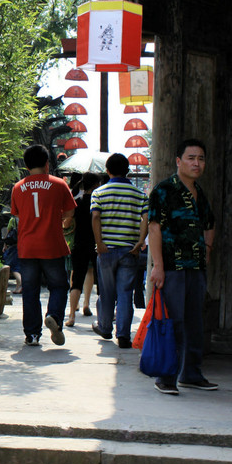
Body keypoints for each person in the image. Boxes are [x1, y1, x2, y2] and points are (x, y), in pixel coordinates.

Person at [147, 139, 216, 395]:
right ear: (179, 161)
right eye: (191, 158)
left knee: (195, 322)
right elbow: (154, 228)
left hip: (196, 267)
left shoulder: (200, 192)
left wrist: (207, 250)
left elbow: (210, 223)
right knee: (173, 322)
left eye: (201, 158)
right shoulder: (164, 190)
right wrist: (158, 266)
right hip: (172, 266)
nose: (196, 163)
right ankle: (166, 377)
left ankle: (191, 374)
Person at [10, 145, 76, 346]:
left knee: (30, 290)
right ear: (47, 164)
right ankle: (54, 316)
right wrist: (61, 221)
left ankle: (32, 334)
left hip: (28, 247)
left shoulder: (18, 187)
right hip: (53, 245)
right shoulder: (59, 185)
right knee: (59, 285)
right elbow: (70, 213)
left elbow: (18, 215)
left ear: (27, 166)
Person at [90, 154, 148, 348]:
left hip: (106, 249)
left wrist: (99, 243)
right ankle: (123, 334)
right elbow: (145, 218)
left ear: (107, 171)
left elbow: (96, 217)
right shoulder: (139, 194)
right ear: (128, 171)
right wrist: (140, 242)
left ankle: (105, 327)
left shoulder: (99, 192)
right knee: (125, 293)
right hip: (129, 250)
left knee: (107, 292)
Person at [66, 172, 101, 327]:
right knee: (101, 282)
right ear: (95, 185)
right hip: (96, 244)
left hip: (79, 244)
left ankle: (72, 315)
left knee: (76, 282)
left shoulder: (77, 202)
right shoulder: (99, 202)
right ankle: (102, 317)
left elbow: (66, 224)